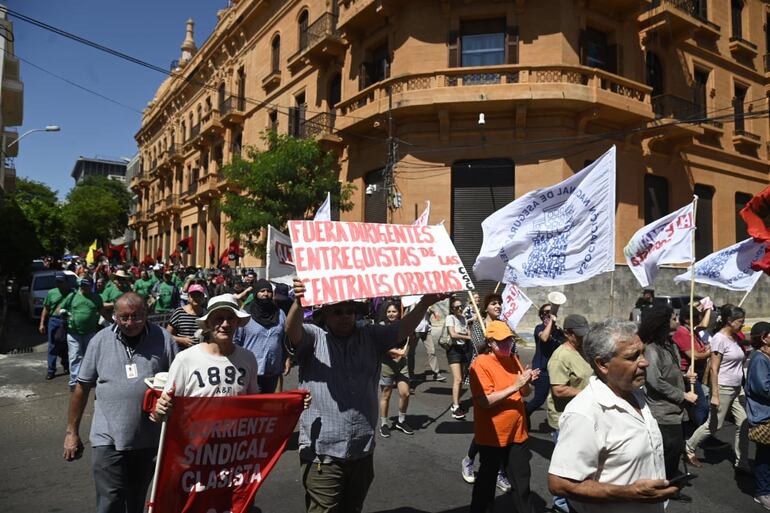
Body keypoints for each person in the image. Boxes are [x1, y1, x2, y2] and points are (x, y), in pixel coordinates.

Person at [285, 278, 445, 513]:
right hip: (323, 453)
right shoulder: (314, 337)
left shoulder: (370, 336)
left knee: (353, 508)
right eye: (338, 312)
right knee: (325, 509)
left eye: (350, 311)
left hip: (361, 449)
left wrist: (424, 303)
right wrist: (299, 303)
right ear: (326, 315)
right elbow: (292, 330)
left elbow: (401, 329)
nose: (345, 316)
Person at [548, 319, 680, 513]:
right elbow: (560, 484)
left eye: (642, 352)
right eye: (632, 357)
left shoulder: (636, 393)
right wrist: (629, 493)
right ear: (602, 364)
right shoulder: (585, 413)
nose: (645, 362)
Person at [62, 293, 177, 513]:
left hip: (148, 437)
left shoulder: (164, 339)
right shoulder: (100, 340)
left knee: (136, 499)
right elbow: (82, 387)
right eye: (124, 317)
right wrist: (71, 433)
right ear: (114, 316)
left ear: (147, 315)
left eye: (137, 317)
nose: (130, 323)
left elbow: (177, 383)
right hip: (108, 436)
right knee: (111, 500)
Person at [469, 320, 540, 513]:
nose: (506, 344)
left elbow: (525, 393)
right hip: (492, 435)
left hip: (517, 433)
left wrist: (526, 381)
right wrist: (516, 385)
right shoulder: (480, 364)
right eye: (501, 341)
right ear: (490, 342)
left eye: (509, 340)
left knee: (522, 484)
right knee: (486, 484)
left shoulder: (513, 358)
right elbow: (485, 401)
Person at [153, 294, 256, 417]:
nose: (225, 324)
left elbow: (253, 403)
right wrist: (161, 408)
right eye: (219, 318)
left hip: (234, 434)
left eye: (230, 318)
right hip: (196, 434)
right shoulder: (185, 359)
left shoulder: (248, 358)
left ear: (237, 322)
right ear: (207, 324)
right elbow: (167, 405)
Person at [638, 304, 698, 502]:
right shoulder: (652, 349)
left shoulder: (670, 345)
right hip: (662, 410)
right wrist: (683, 395)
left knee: (674, 449)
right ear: (663, 322)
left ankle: (669, 484)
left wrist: (684, 375)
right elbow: (654, 381)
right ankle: (663, 488)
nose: (678, 321)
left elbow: (669, 373)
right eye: (674, 318)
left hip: (676, 409)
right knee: (668, 450)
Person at [685, 304, 750, 472]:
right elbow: (714, 368)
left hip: (737, 388)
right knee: (714, 425)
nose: (743, 324)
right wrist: (715, 394)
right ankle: (689, 447)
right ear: (729, 321)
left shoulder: (735, 337)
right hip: (723, 387)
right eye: (740, 321)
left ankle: (741, 462)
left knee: (743, 422)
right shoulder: (719, 339)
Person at [461, 293, 513, 493]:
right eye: (493, 303)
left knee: (501, 426)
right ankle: (469, 459)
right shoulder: (477, 325)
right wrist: (489, 339)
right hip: (483, 375)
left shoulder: (504, 325)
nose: (498, 305)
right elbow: (478, 349)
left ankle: (500, 471)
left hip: (503, 375)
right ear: (485, 307)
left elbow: (511, 348)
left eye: (499, 302)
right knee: (487, 426)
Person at [545, 313, 593, 513]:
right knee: (565, 469)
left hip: (583, 416)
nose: (583, 338)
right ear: (567, 333)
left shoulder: (584, 351)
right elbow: (559, 390)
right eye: (578, 335)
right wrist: (590, 394)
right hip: (564, 420)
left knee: (581, 465)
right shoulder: (560, 356)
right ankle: (561, 506)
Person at [234, 279, 289, 394]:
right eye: (262, 291)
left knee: (273, 408)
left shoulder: (280, 314)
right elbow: (236, 342)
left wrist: (287, 359)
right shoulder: (244, 315)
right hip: (251, 372)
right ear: (255, 293)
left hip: (273, 371)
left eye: (268, 291)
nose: (265, 294)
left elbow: (285, 340)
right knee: (254, 409)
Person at [671, 305, 712, 430]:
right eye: (695, 317)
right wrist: (710, 352)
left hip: (697, 374)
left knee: (698, 405)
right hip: (688, 375)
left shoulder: (692, 332)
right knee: (701, 406)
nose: (699, 319)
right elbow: (695, 356)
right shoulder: (682, 333)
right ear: (687, 319)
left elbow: (700, 350)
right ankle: (698, 433)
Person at [59, 277, 104, 390]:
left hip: (90, 332)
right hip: (73, 332)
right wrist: (63, 312)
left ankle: (89, 379)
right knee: (75, 357)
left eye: (86, 285)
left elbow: (102, 311)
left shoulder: (96, 298)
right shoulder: (72, 296)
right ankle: (74, 382)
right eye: (82, 285)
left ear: (91, 286)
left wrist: (113, 322)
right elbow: (60, 309)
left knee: (91, 357)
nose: (83, 288)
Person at [378, 301, 414, 437]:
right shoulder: (381, 327)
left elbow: (409, 342)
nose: (391, 314)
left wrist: (404, 352)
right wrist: (395, 352)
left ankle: (401, 421)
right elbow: (380, 346)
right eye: (389, 312)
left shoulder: (404, 325)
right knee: (386, 394)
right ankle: (384, 423)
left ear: (399, 312)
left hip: (402, 364)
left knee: (405, 393)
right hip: (387, 364)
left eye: (394, 311)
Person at [526, 303, 566, 419]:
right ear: (541, 316)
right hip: (542, 370)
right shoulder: (539, 328)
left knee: (558, 398)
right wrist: (551, 322)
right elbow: (544, 338)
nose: (548, 315)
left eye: (551, 312)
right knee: (539, 399)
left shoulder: (558, 331)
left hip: (556, 370)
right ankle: (524, 412)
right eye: (545, 313)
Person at [746, 321, 770, 510]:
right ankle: (762, 492)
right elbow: (764, 388)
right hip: (764, 416)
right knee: (764, 455)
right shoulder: (759, 358)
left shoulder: (765, 356)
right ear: (764, 337)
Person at [39, 272, 71, 380]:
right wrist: (42, 323)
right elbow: (46, 308)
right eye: (57, 282)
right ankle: (51, 370)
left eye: (61, 282)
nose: (59, 284)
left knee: (66, 344)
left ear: (66, 282)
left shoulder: (72, 292)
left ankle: (66, 365)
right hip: (54, 320)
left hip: (67, 321)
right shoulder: (51, 293)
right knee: (52, 345)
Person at [445, 297, 471, 419]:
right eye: (456, 307)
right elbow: (453, 334)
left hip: (464, 349)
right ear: (452, 309)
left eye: (460, 306)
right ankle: (455, 407)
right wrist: (468, 337)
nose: (459, 308)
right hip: (454, 350)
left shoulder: (463, 318)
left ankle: (457, 401)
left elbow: (468, 332)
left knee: (461, 378)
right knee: (458, 379)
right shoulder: (450, 318)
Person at [408, 302, 445, 383]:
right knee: (410, 353)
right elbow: (409, 315)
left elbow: (432, 310)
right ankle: (410, 374)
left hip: (426, 330)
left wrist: (433, 311)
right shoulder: (412, 302)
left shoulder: (427, 302)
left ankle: (436, 373)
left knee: (432, 351)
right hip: (414, 331)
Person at [166, 283, 207, 349]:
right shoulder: (179, 312)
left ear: (203, 297)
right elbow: (167, 334)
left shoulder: (206, 314)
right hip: (181, 353)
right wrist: (181, 340)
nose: (196, 298)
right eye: (193, 296)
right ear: (188, 297)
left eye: (199, 296)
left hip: (200, 353)